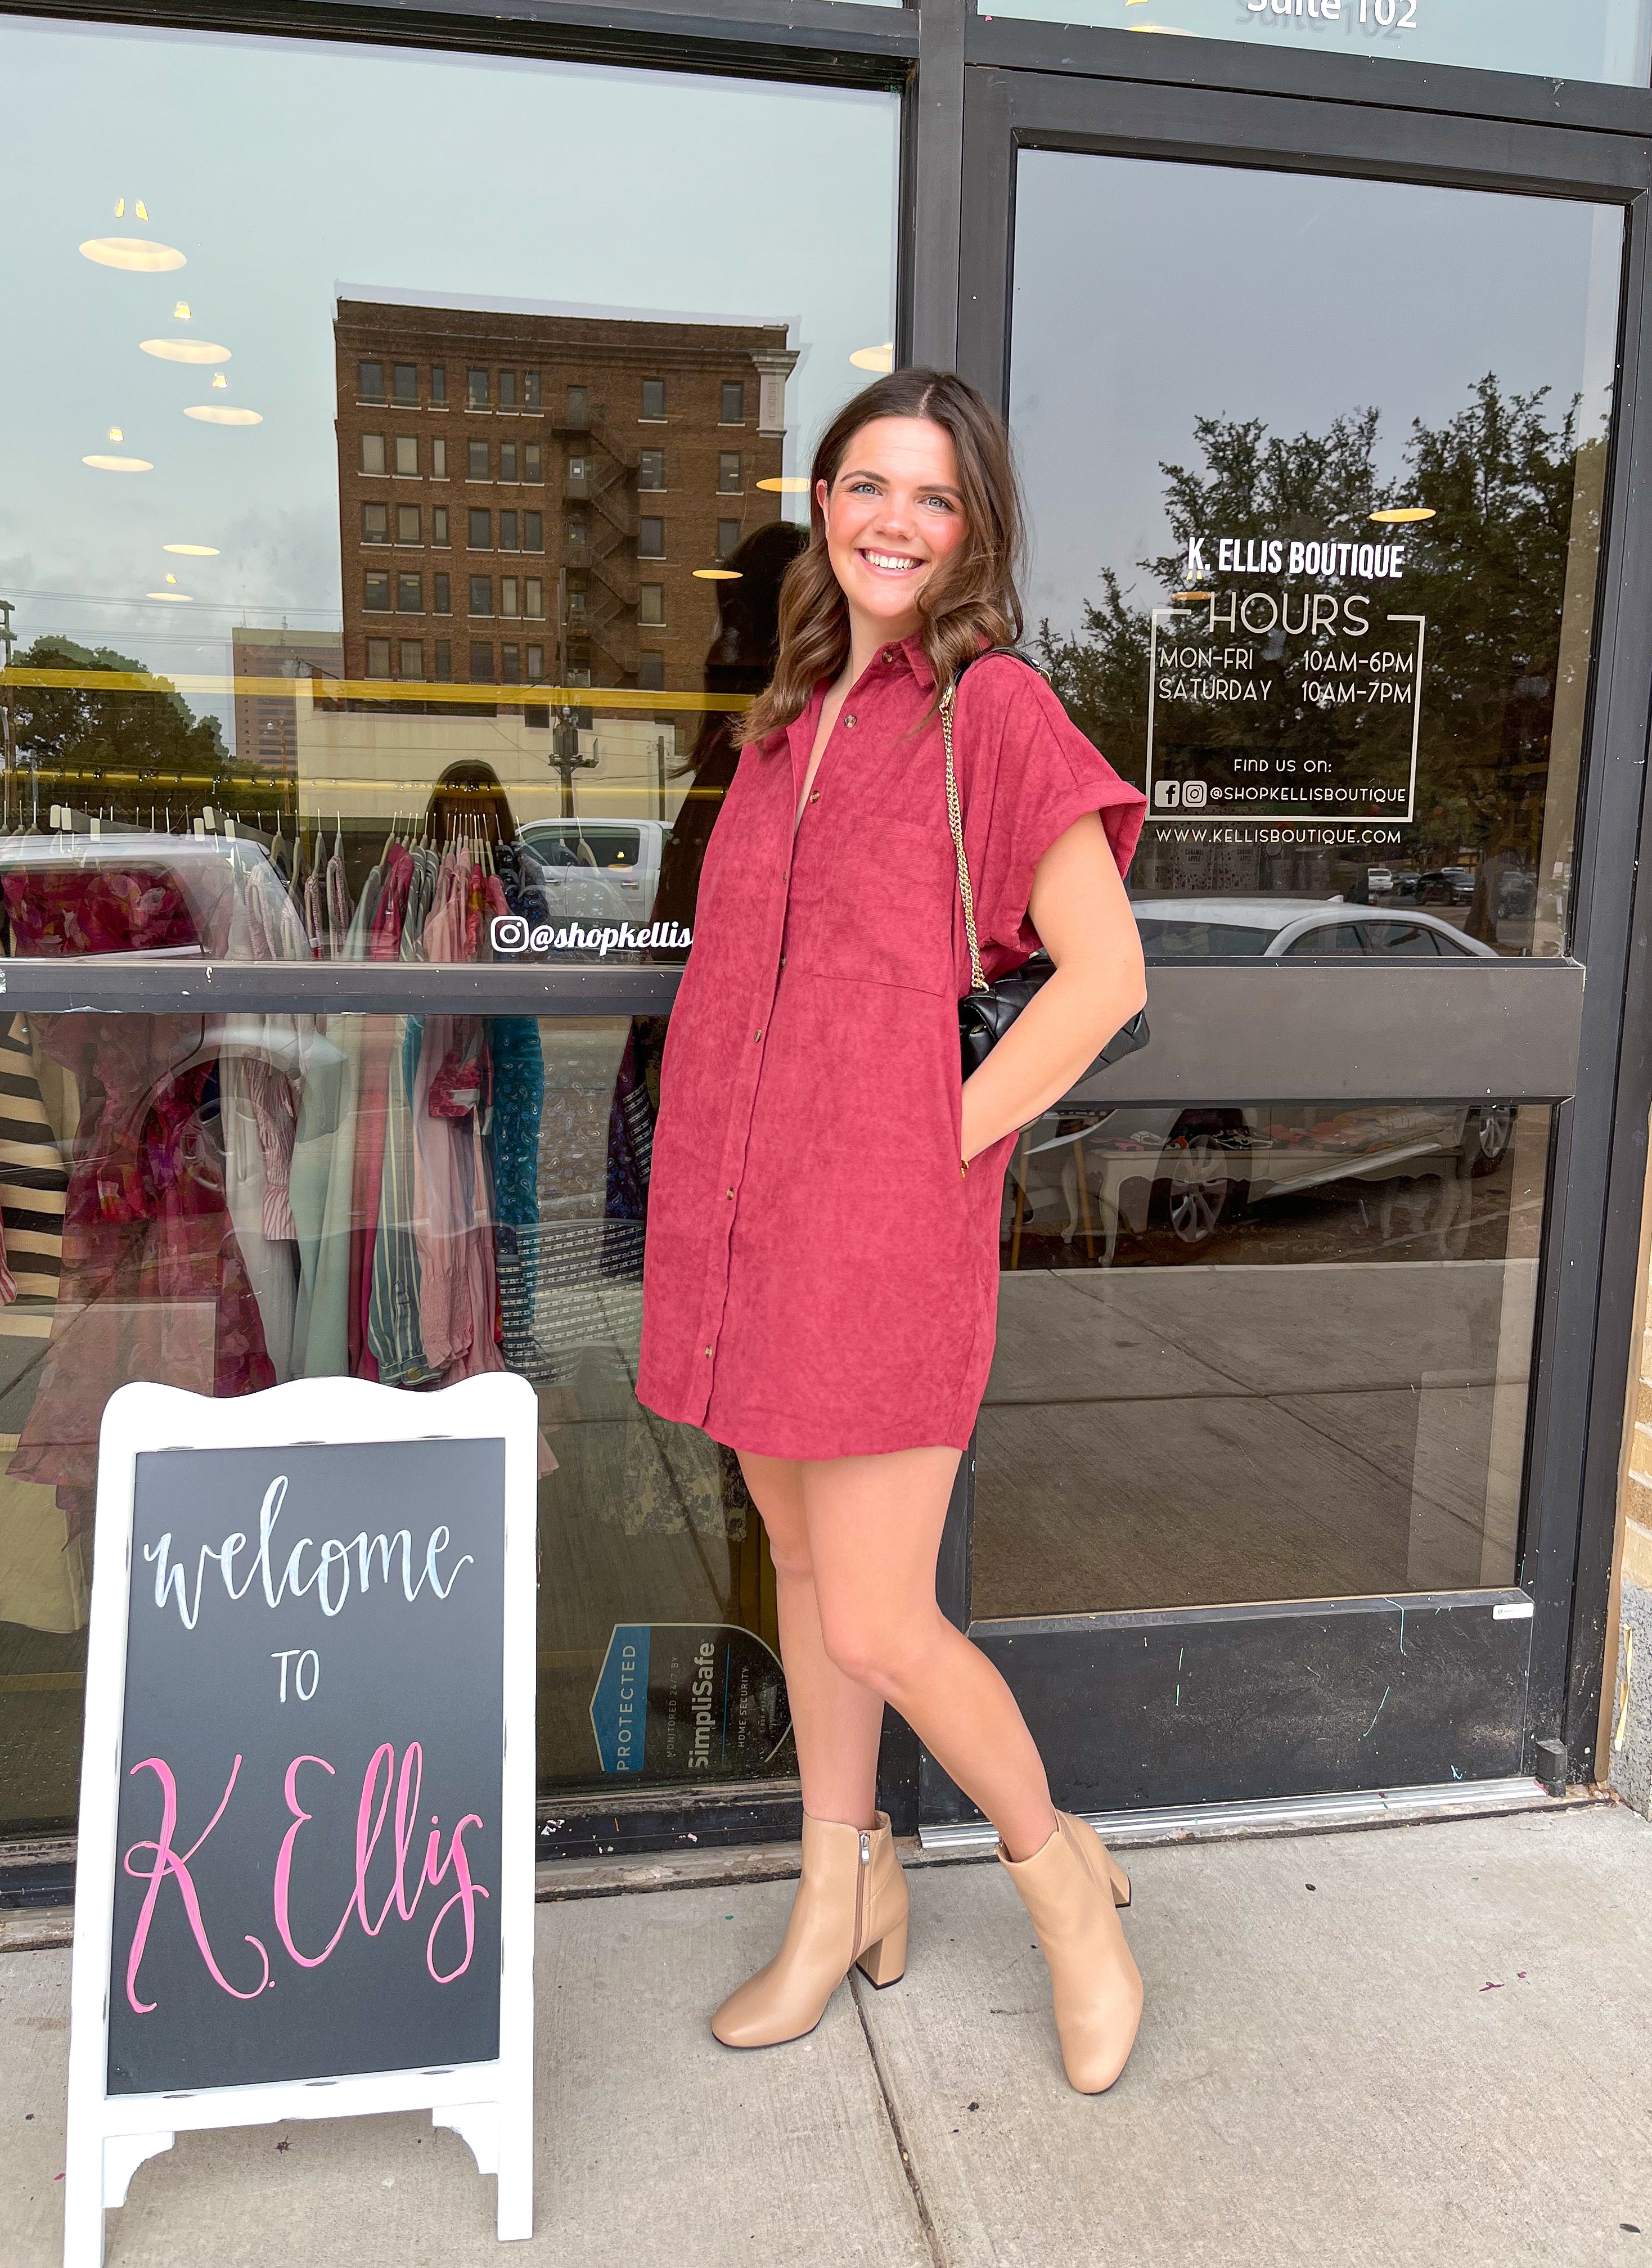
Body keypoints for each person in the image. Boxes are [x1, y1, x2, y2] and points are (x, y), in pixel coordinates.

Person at [636, 369, 1149, 2095]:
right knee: (801, 1578)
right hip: (745, 1218)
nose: (894, 523)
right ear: (828, 497)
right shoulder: (785, 716)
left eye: (932, 498)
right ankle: (837, 1893)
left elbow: (1106, 978)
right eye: (869, 485)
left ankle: (1060, 1879)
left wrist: (940, 1138)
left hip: (880, 1231)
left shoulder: (992, 710)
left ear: (974, 527)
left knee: (877, 1618)